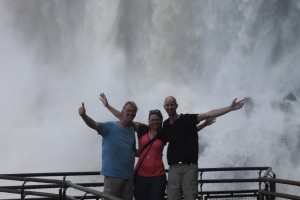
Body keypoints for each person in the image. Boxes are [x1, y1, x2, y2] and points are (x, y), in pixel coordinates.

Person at [99, 93, 215, 200]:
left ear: (161, 121)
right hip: (140, 175)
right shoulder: (142, 129)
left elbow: (184, 134)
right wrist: (107, 106)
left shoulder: (164, 134)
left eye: (158, 120)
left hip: (158, 176)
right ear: (149, 121)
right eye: (153, 120)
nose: (155, 122)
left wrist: (204, 124)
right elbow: (124, 117)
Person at [163, 96, 245, 200]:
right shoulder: (165, 124)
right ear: (164, 107)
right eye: (167, 105)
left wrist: (230, 108)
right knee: (172, 197)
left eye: (172, 104)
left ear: (176, 106)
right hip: (173, 168)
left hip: (189, 167)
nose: (170, 107)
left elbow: (209, 114)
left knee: (190, 197)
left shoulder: (188, 119)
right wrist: (204, 125)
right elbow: (184, 133)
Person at [78, 101, 138, 200]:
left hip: (129, 177)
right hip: (113, 176)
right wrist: (84, 115)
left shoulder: (132, 131)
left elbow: (132, 151)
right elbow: (94, 124)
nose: (131, 113)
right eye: (128, 110)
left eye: (133, 111)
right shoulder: (110, 126)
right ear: (123, 111)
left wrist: (151, 152)